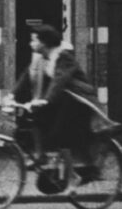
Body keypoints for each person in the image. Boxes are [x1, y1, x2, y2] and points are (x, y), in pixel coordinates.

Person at [14, 19, 100, 179]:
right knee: (36, 118)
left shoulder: (63, 56)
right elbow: (27, 76)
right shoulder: (41, 57)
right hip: (64, 100)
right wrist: (12, 95)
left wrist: (46, 100)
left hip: (79, 101)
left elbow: (59, 80)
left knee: (59, 134)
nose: (31, 44)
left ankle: (72, 176)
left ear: (44, 42)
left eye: (34, 40)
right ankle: (41, 156)